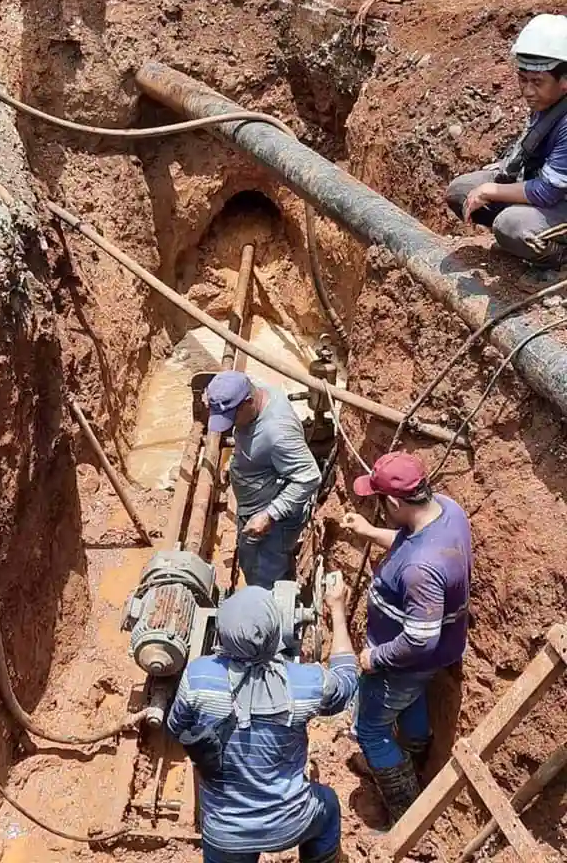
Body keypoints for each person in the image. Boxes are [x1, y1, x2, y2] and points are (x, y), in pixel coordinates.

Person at [167, 581, 358, 863]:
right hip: (291, 821)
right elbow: (347, 682)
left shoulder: (197, 677)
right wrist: (338, 610)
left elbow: (176, 728)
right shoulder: (307, 683)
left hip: (227, 832)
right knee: (327, 804)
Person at [340, 452, 472, 823]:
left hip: (404, 662)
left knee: (371, 729)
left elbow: (418, 640)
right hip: (429, 661)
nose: (379, 507)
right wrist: (369, 531)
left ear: (395, 502)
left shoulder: (421, 570)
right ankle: (413, 755)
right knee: (411, 699)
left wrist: (375, 657)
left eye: (380, 501)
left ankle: (405, 810)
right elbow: (407, 543)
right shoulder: (447, 510)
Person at [445, 13, 567, 280]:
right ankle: (524, 241)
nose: (527, 90)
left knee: (510, 226)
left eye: (537, 82)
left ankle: (559, 257)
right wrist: (502, 173)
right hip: (549, 185)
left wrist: (491, 189)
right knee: (460, 191)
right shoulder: (549, 102)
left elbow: (547, 192)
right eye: (523, 79)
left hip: (557, 196)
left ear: (564, 81)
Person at [205, 370, 321, 590]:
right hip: (257, 502)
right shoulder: (257, 388)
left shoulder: (277, 433)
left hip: (272, 522)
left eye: (232, 418)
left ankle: (271, 600)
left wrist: (269, 515)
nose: (229, 426)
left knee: (263, 577)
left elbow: (309, 477)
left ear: (248, 402)